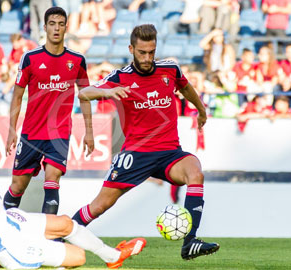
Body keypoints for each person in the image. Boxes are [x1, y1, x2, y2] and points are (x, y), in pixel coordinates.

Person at [0, 112, 146, 269]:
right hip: (6, 242)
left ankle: (114, 258)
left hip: (7, 220)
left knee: (64, 222)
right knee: (78, 257)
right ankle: (3, 263)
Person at [70, 24, 220, 260]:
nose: (148, 58)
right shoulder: (120, 77)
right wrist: (108, 92)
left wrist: (200, 110)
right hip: (136, 154)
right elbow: (84, 93)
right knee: (99, 206)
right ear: (131, 49)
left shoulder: (170, 70)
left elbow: (186, 87)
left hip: (169, 153)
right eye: (142, 52)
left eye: (151, 52)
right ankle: (61, 237)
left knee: (195, 171)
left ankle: (190, 242)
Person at [3, 7, 95, 215]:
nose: (56, 28)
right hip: (31, 133)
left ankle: (48, 238)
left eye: (60, 24)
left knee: (52, 180)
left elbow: (86, 95)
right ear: (45, 27)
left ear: (65, 28)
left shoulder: (77, 60)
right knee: (18, 186)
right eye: (52, 24)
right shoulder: (30, 58)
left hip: (59, 133)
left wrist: (89, 132)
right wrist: (11, 130)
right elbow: (17, 96)